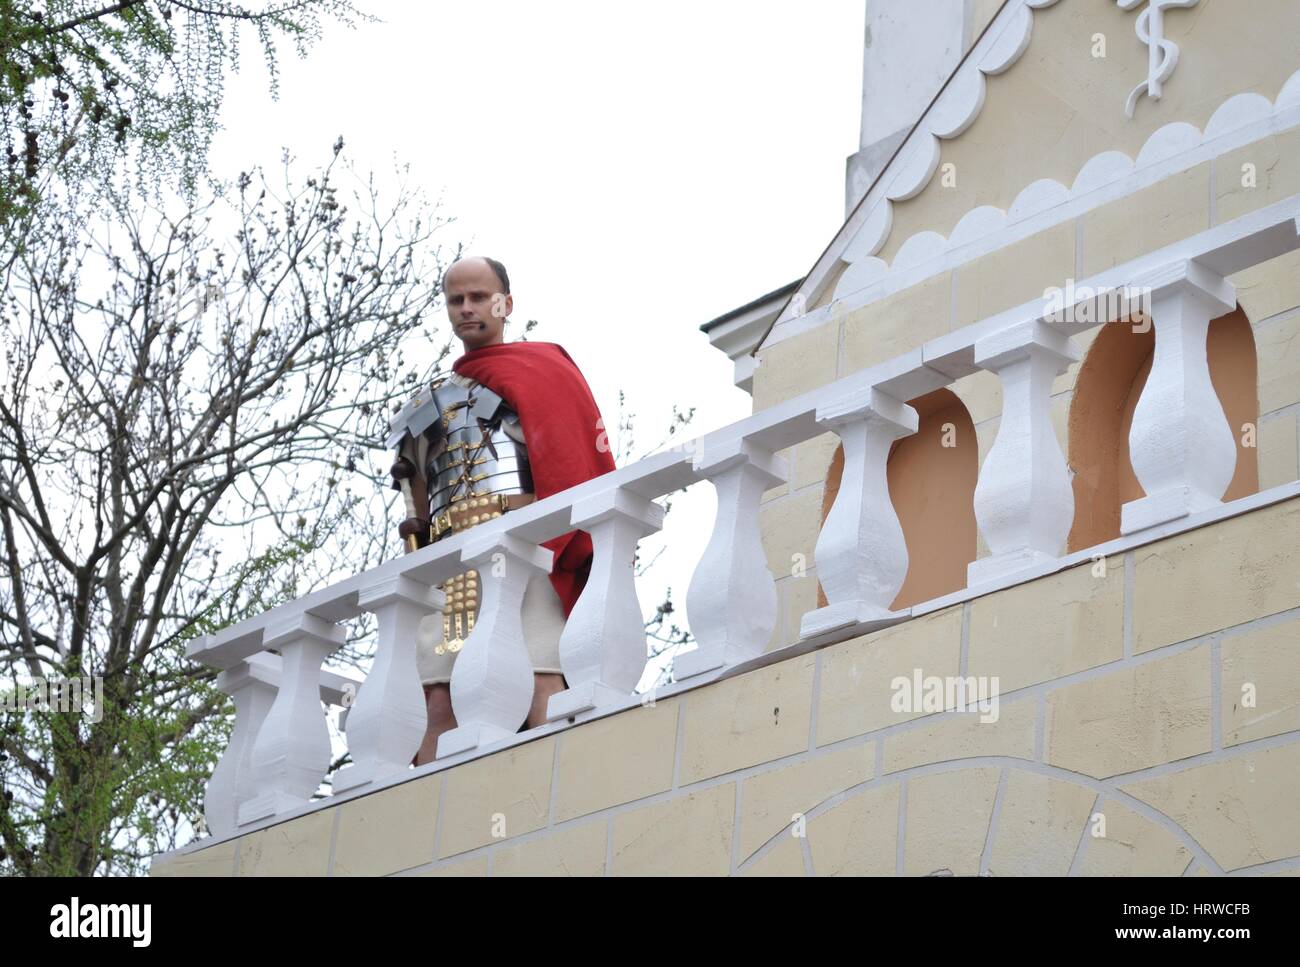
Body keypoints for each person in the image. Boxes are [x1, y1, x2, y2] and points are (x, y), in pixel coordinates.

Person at [386, 256, 616, 766]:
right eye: (455, 299)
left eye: (478, 297)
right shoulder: (429, 404)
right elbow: (416, 501)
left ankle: (566, 788)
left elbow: (568, 464)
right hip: (452, 566)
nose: (467, 308)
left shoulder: (543, 373)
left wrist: (526, 510)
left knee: (540, 678)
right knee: (437, 696)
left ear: (505, 303)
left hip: (526, 553)